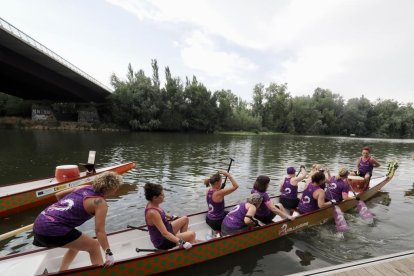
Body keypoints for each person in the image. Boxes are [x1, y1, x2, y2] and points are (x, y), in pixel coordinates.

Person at [32, 172, 123, 271]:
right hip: (51, 229)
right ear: (112, 189)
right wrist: (108, 253)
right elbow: (99, 231)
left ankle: (62, 271)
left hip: (39, 223)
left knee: (76, 242)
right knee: (94, 246)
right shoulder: (100, 203)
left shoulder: (84, 187)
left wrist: (68, 214)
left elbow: (58, 195)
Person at [144, 183, 196, 250]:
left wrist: (172, 217)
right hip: (162, 241)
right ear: (155, 197)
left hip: (167, 229)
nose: (164, 196)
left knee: (185, 219)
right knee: (192, 234)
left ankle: (181, 245)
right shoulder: (152, 213)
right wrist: (182, 242)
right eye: (162, 195)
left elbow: (161, 213)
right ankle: (183, 244)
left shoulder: (152, 204)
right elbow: (165, 234)